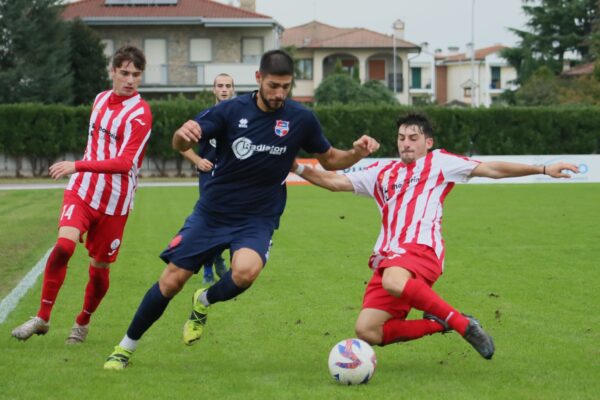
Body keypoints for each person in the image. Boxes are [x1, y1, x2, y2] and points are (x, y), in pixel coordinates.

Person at [103, 49, 380, 370]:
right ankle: (125, 347)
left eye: (286, 87)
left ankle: (203, 301)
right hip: (213, 213)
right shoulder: (231, 111)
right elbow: (180, 143)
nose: (279, 94)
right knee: (171, 281)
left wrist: (357, 153)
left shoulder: (301, 118)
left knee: (246, 271)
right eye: (273, 86)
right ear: (259, 79)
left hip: (258, 217)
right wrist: (182, 136)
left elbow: (331, 159)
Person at [290, 112, 579, 360]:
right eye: (402, 137)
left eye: (413, 138)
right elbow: (333, 181)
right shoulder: (381, 171)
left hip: (421, 249)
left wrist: (542, 168)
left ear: (428, 142)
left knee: (393, 280)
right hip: (389, 257)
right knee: (368, 330)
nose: (406, 142)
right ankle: (444, 323)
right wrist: (296, 166)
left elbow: (491, 168)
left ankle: (464, 327)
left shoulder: (440, 162)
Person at [11, 46, 153, 344]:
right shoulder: (100, 99)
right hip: (83, 191)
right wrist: (80, 171)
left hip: (115, 201)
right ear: (112, 71)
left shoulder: (141, 114)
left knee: (100, 267)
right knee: (63, 247)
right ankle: (42, 318)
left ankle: (82, 323)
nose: (130, 80)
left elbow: (124, 163)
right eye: (124, 73)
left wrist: (76, 164)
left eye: (136, 75)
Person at [180, 73, 235, 284]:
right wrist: (197, 160)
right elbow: (182, 144)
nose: (223, 89)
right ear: (214, 90)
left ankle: (221, 259)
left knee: (234, 221)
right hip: (209, 178)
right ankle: (207, 268)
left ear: (232, 90)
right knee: (209, 222)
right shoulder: (204, 117)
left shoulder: (242, 120)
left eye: (227, 86)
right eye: (220, 85)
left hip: (233, 179)